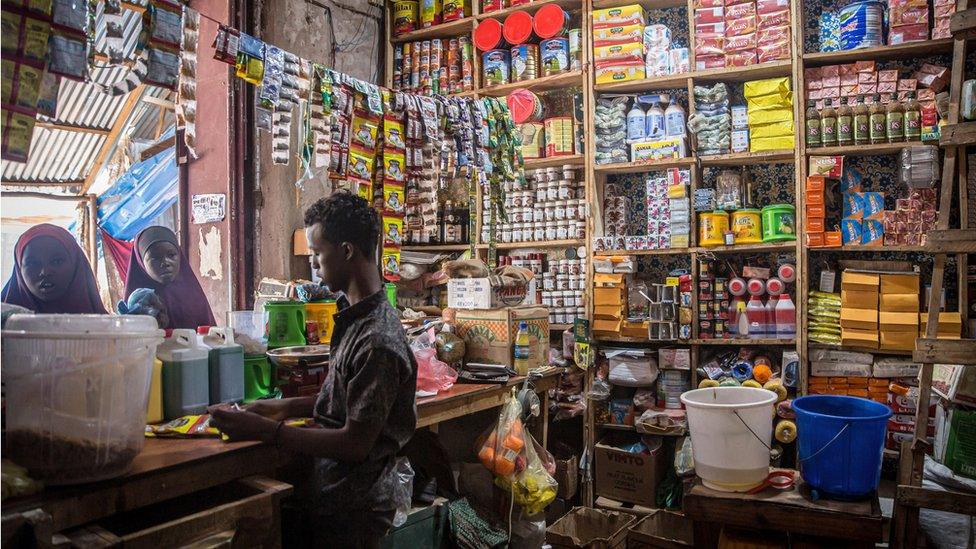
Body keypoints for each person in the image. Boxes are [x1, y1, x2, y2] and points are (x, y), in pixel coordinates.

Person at [210, 192, 418, 548]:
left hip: (354, 507)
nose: (314, 265)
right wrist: (282, 407)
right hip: (330, 493)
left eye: (318, 254)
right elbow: (344, 400)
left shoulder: (377, 340)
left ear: (347, 251)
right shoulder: (352, 317)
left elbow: (355, 442)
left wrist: (268, 430)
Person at [2, 224, 107, 314]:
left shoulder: (109, 330)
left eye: (57, 261)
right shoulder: (3, 326)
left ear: (75, 265)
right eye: (33, 263)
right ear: (19, 270)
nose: (45, 272)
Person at [124, 226, 215, 329]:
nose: (165, 263)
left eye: (171, 255)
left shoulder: (193, 296)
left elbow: (211, 337)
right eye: (155, 257)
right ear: (141, 262)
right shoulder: (137, 302)